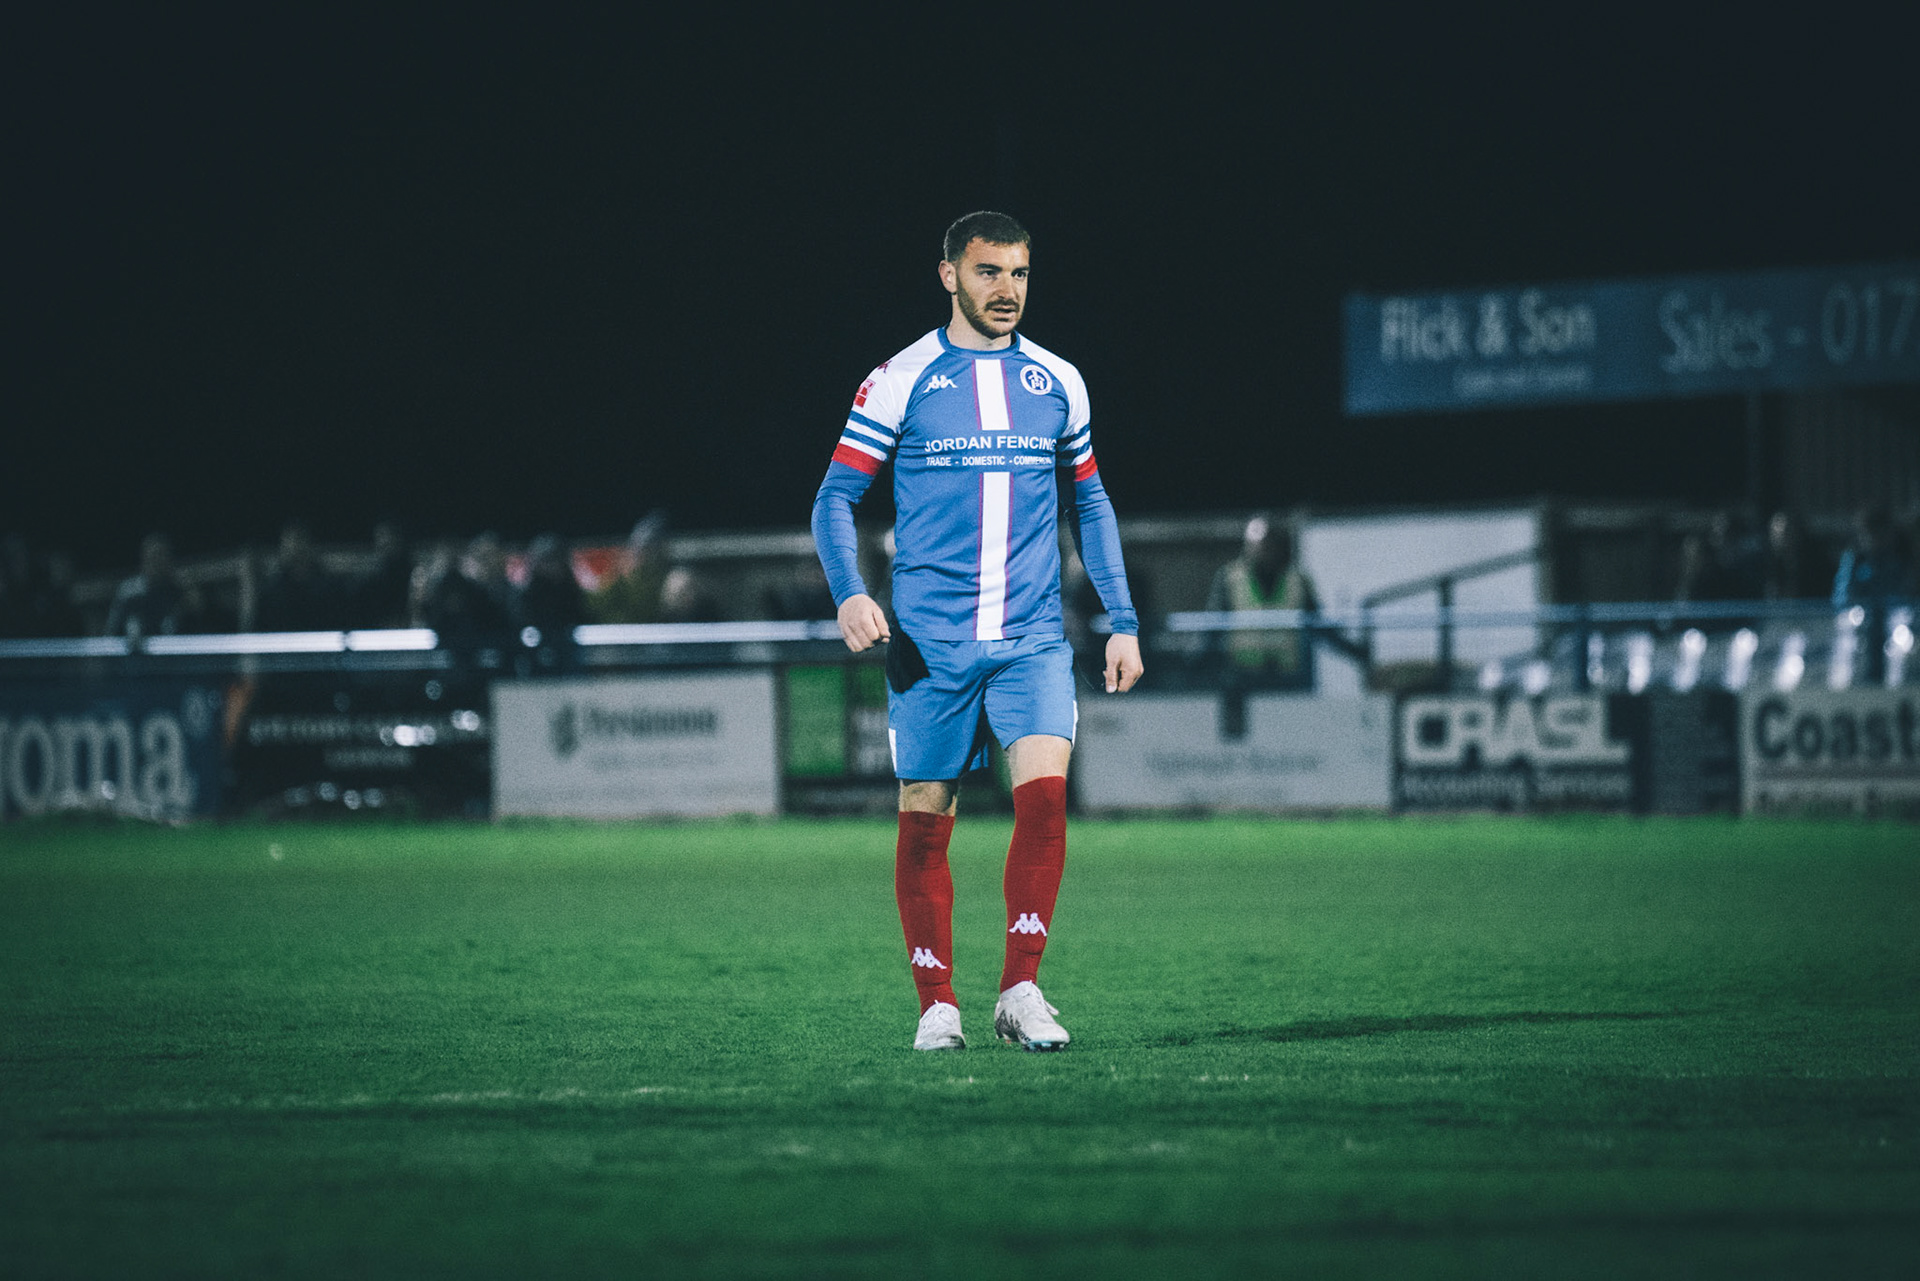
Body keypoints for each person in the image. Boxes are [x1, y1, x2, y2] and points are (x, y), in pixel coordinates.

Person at [811, 211, 1143, 1054]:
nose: (1006, 289)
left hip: (1031, 636)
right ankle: (937, 1005)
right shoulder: (901, 379)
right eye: (989, 271)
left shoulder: (1058, 380)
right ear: (949, 275)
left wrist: (1122, 619)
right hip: (931, 645)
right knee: (926, 820)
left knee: (1046, 800)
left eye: (1019, 273)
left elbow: (1091, 501)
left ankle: (1020, 989)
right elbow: (835, 497)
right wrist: (850, 594)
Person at [1205, 513, 1320, 689]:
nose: (1263, 550)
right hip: (1243, 677)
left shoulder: (1297, 580)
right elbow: (1211, 628)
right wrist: (1194, 664)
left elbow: (1319, 626)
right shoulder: (1229, 578)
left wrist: (1355, 651)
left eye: (1269, 544)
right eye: (1257, 544)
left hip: (1288, 678)